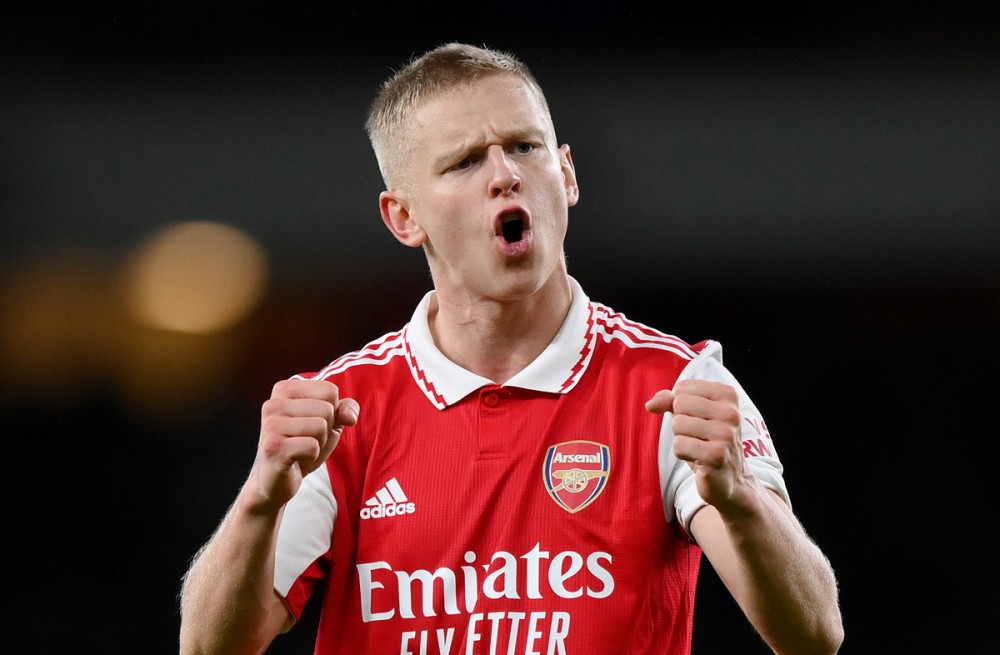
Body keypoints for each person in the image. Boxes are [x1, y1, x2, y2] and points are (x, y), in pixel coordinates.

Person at [178, 42, 843, 655]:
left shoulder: (675, 386)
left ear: (567, 174)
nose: (504, 175)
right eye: (465, 162)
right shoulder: (343, 410)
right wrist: (261, 497)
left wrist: (737, 496)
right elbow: (209, 646)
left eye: (525, 146)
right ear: (404, 217)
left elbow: (814, 633)